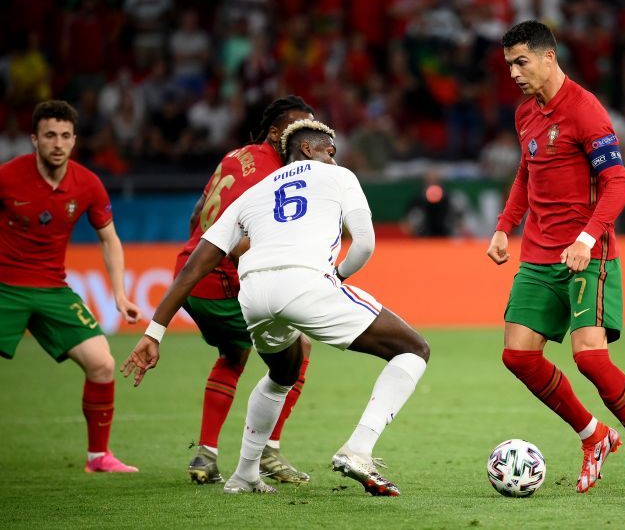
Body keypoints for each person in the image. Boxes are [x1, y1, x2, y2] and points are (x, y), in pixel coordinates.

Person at [123, 119, 430, 496]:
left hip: (252, 295)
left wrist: (155, 332)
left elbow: (194, 265)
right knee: (414, 350)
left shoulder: (253, 193)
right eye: (330, 151)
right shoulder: (339, 177)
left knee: (283, 373)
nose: (334, 158)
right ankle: (359, 450)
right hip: (305, 282)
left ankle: (246, 474)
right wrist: (337, 276)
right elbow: (364, 245)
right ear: (311, 149)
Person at [486, 21, 625, 495]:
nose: (513, 73)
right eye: (508, 64)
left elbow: (619, 184)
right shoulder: (526, 113)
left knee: (590, 358)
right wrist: (505, 228)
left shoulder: (586, 110)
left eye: (521, 61)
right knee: (517, 356)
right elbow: (525, 176)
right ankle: (594, 435)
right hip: (539, 254)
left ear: (549, 57)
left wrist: (587, 238)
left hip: (589, 253)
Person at [174, 96, 316, 485]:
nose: (307, 139)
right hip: (220, 279)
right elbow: (236, 244)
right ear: (275, 133)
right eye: (297, 131)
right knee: (299, 347)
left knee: (234, 353)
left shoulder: (237, 156)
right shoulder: (272, 177)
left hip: (189, 275)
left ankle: (205, 454)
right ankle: (268, 451)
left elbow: (197, 212)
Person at [0, 100, 141, 473]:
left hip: (52, 290)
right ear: (34, 139)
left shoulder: (88, 184)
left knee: (102, 363)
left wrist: (120, 293)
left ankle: (99, 457)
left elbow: (109, 239)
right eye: (49, 135)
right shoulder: (7, 177)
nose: (58, 143)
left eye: (65, 136)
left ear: (75, 140)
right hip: (4, 287)